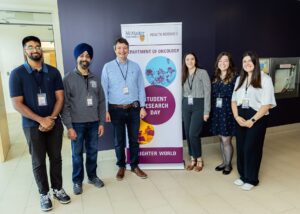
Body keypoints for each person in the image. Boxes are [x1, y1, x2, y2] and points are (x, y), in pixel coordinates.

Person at [9, 36, 70, 212]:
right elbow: (17, 103)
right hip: (31, 125)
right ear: (24, 51)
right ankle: (44, 193)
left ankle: (57, 189)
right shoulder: (17, 74)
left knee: (56, 158)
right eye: (30, 47)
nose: (35, 50)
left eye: (37, 46)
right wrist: (40, 120)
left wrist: (50, 118)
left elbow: (60, 97)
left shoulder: (53, 72)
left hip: (53, 122)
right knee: (38, 161)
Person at [61, 43, 106, 195]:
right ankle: (77, 181)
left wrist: (101, 123)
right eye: (81, 55)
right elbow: (64, 104)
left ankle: (92, 177)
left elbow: (101, 101)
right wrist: (69, 127)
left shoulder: (95, 78)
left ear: (91, 59)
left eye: (87, 56)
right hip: (77, 124)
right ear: (76, 58)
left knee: (93, 152)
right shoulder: (68, 78)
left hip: (94, 123)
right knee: (77, 155)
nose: (84, 58)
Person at [101, 37, 147, 180]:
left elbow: (141, 87)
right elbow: (104, 90)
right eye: (119, 48)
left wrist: (143, 106)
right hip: (116, 110)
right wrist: (106, 110)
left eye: (125, 48)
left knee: (134, 139)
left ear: (128, 50)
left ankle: (134, 166)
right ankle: (121, 165)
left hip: (134, 108)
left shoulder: (135, 66)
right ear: (115, 50)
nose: (122, 50)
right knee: (118, 140)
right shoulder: (107, 67)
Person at [231, 51, 276, 191]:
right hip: (240, 115)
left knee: (252, 147)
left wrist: (253, 120)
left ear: (255, 63)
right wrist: (237, 117)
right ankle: (243, 176)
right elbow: (233, 100)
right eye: (244, 61)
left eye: (250, 61)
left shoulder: (265, 79)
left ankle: (252, 179)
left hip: (257, 116)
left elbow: (266, 104)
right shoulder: (240, 79)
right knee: (241, 146)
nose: (247, 64)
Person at [182, 52, 211, 172]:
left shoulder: (202, 72)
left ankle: (199, 158)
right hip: (186, 105)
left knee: (194, 133)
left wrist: (206, 111)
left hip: (199, 104)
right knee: (188, 134)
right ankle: (192, 158)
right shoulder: (183, 74)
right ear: (185, 61)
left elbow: (208, 91)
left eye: (192, 59)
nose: (190, 61)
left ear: (195, 60)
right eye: (187, 59)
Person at [210, 52, 236, 175]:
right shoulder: (215, 77)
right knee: (221, 138)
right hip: (217, 112)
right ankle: (224, 162)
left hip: (228, 112)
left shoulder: (235, 77)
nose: (223, 63)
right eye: (220, 61)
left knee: (226, 140)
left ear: (229, 62)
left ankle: (228, 164)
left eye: (225, 61)